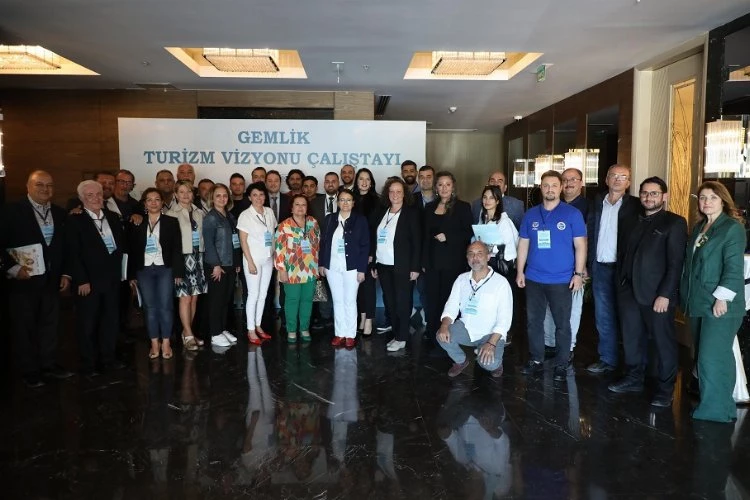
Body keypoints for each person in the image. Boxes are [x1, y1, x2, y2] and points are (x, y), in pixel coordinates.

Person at [607, 177, 687, 408]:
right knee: (631, 338)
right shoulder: (631, 219)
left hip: (657, 295)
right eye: (644, 193)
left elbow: (676, 263)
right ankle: (634, 378)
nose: (648, 197)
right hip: (628, 291)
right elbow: (623, 253)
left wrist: (666, 294)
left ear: (664, 196)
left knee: (663, 342)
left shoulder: (674, 222)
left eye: (654, 193)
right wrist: (620, 283)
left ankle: (665, 389)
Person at [680, 181, 746, 423]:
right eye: (703, 197)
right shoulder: (700, 227)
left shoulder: (732, 228)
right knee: (705, 356)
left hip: (720, 305)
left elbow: (733, 268)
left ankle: (714, 411)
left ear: (723, 201)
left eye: (713, 197)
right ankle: (724, 408)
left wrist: (722, 298)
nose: (706, 202)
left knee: (712, 357)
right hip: (697, 301)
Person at [0, 170, 72, 387]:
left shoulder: (59, 213)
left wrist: (66, 273)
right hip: (23, 282)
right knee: (24, 327)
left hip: (51, 280)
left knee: (50, 326)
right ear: (28, 187)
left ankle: (48, 365)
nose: (45, 189)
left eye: (49, 185)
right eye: (39, 184)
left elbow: (65, 248)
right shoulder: (11, 211)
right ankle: (29, 370)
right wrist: (13, 268)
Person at [516, 170, 586, 382]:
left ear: (561, 188)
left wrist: (578, 274)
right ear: (541, 187)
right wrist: (520, 271)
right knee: (534, 322)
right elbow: (523, 244)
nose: (550, 189)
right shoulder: (531, 214)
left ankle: (562, 363)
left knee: (562, 324)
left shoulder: (572, 214)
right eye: (546, 185)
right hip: (534, 278)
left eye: (554, 185)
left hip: (561, 279)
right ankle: (536, 359)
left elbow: (581, 245)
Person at [65, 180, 126, 376]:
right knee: (87, 323)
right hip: (88, 282)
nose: (95, 198)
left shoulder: (113, 217)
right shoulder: (75, 220)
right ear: (81, 199)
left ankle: (108, 359)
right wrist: (81, 280)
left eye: (98, 194)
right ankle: (88, 363)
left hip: (112, 279)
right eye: (90, 195)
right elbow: (73, 254)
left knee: (110, 321)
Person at [586, 164, 640, 374]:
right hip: (600, 267)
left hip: (624, 270)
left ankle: (631, 364)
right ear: (606, 179)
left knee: (628, 317)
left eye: (623, 176)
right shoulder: (597, 203)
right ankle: (607, 359)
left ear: (628, 182)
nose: (618, 180)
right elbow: (590, 233)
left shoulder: (635, 205)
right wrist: (588, 264)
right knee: (603, 316)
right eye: (614, 176)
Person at [437, 241, 512, 377]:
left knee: (489, 364)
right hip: (467, 328)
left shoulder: (501, 283)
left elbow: (504, 319)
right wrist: (444, 325)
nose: (475, 258)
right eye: (471, 254)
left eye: (479, 254)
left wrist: (491, 343)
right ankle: (461, 361)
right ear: (467, 258)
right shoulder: (461, 279)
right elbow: (451, 305)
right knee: (441, 335)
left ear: (488, 257)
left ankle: (494, 359)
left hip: (490, 333)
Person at [127, 188, 184, 359]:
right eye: (149, 199)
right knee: (149, 307)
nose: (153, 202)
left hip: (164, 269)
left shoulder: (171, 222)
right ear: (144, 203)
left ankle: (166, 341)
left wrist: (178, 272)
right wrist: (131, 275)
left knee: (166, 306)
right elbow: (131, 250)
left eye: (157, 199)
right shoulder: (137, 222)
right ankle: (154, 342)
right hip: (143, 270)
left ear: (162, 203)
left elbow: (177, 248)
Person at [422, 171, 473, 344]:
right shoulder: (429, 207)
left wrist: (448, 236)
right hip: (432, 263)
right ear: (436, 188)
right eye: (440, 184)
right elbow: (424, 236)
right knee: (432, 299)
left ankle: (448, 335)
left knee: (448, 299)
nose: (444, 188)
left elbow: (468, 233)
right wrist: (423, 261)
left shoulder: (463, 207)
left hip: (453, 263)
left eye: (447, 184)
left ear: (453, 187)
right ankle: (432, 333)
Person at [371, 178, 421, 352]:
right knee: (390, 303)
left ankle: (402, 337)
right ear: (387, 193)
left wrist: (415, 267)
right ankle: (397, 334)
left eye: (399, 191)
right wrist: (374, 264)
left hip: (403, 266)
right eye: (391, 191)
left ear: (404, 194)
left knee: (403, 303)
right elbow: (376, 239)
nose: (395, 194)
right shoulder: (382, 212)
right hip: (383, 265)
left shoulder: (411, 214)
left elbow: (417, 242)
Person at [544, 168, 588, 355]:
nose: (569, 183)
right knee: (549, 309)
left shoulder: (587, 207)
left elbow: (585, 242)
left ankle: (568, 348)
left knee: (571, 311)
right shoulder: (549, 207)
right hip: (550, 269)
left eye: (573, 179)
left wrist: (581, 268)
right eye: (565, 180)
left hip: (574, 269)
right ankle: (550, 344)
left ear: (581, 183)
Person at [319, 189, 370, 348]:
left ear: (353, 203)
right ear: (338, 202)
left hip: (352, 267)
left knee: (350, 300)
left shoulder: (360, 220)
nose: (345, 203)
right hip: (332, 267)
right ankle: (340, 333)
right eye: (342, 200)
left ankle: (350, 334)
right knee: (337, 300)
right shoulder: (330, 219)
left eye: (348, 200)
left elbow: (365, 245)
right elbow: (323, 243)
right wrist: (322, 264)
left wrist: (362, 269)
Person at [167, 180, 209, 350]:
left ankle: (187, 333)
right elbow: (170, 244)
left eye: (189, 191)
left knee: (194, 298)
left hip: (198, 258)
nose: (186, 195)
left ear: (193, 194)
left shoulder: (199, 212)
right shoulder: (171, 214)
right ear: (176, 194)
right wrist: (175, 267)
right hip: (182, 259)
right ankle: (188, 334)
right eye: (182, 192)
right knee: (185, 298)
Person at [275, 194, 321, 343]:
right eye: (297, 204)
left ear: (307, 208)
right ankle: (291, 330)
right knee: (292, 300)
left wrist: (318, 266)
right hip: (291, 270)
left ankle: (304, 328)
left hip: (310, 269)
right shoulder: (284, 226)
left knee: (307, 300)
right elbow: (279, 249)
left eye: (303, 205)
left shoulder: (313, 223)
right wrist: (281, 269)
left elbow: (318, 246)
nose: (300, 207)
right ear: (291, 208)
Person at [237, 182, 277, 345]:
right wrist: (250, 262)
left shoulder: (269, 212)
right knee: (253, 294)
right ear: (249, 197)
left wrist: (274, 256)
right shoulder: (245, 215)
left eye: (261, 194)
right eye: (255, 195)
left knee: (263, 294)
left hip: (268, 258)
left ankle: (258, 325)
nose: (258, 198)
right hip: (253, 259)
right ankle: (250, 329)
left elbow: (272, 235)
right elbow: (243, 241)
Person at [202, 183, 242, 348]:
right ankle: (215, 333)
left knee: (226, 299)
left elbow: (235, 241)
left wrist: (237, 262)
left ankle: (222, 329)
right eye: (218, 195)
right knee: (216, 300)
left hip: (230, 264)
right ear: (212, 198)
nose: (222, 198)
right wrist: (215, 265)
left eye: (225, 195)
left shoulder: (229, 216)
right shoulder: (211, 218)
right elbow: (209, 244)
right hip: (217, 266)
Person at [353, 168, 380, 336]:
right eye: (361, 179)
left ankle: (369, 320)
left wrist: (373, 254)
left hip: (370, 251)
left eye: (367, 179)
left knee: (368, 287)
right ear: (356, 182)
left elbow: (378, 231)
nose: (364, 182)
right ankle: (362, 318)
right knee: (358, 287)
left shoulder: (378, 201)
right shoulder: (350, 199)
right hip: (353, 251)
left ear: (371, 183)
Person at [475, 185, 519, 273]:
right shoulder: (483, 217)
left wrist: (488, 247)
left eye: (491, 198)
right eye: (485, 197)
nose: (487, 201)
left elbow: (508, 246)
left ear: (497, 201)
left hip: (499, 263)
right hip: (485, 261)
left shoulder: (504, 221)